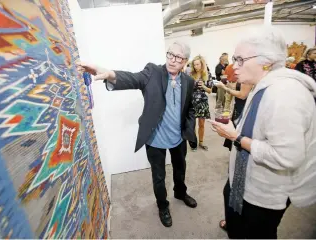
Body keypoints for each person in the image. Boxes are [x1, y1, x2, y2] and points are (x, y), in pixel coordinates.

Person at [208, 26, 316, 239]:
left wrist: (235, 137)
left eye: (240, 59)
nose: (233, 66)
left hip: (263, 195)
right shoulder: (264, 85)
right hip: (244, 181)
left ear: (266, 61)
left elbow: (286, 157)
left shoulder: (285, 95)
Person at [78, 41, 197, 228]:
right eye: (170, 55)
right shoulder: (153, 72)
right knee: (159, 176)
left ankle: (180, 193)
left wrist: (188, 131)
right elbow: (133, 78)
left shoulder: (189, 81)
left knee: (180, 169)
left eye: (178, 57)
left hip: (178, 138)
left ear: (185, 61)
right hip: (155, 138)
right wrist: (109, 73)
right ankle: (163, 206)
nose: (172, 60)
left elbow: (190, 108)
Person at [188, 55, 212, 151]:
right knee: (192, 124)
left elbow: (210, 90)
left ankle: (201, 142)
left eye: (198, 64)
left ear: (202, 64)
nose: (196, 66)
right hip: (192, 101)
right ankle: (193, 142)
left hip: (202, 102)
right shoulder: (190, 74)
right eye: (194, 65)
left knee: (201, 124)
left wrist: (203, 86)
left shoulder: (207, 74)